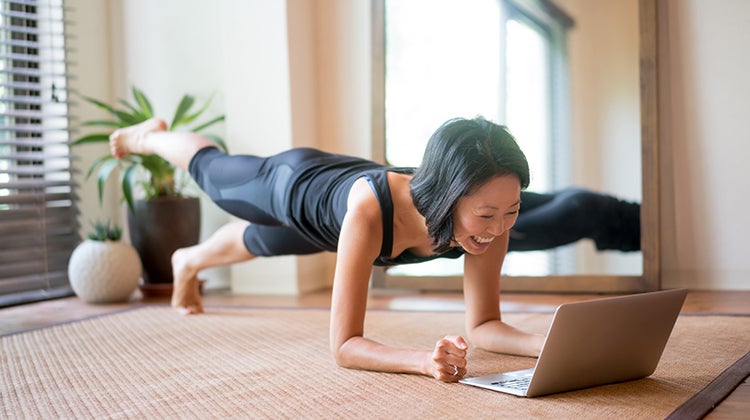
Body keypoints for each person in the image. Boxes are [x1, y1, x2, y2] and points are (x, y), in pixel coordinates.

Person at [109, 116, 544, 383]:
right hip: (294, 185)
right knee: (212, 172)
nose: (500, 227)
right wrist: (422, 362)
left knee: (262, 240)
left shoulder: (493, 219)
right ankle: (148, 137)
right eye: (487, 215)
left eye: (513, 209)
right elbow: (344, 346)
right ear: (447, 196)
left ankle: (187, 260)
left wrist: (549, 344)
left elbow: (485, 324)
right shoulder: (370, 214)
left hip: (332, 220)